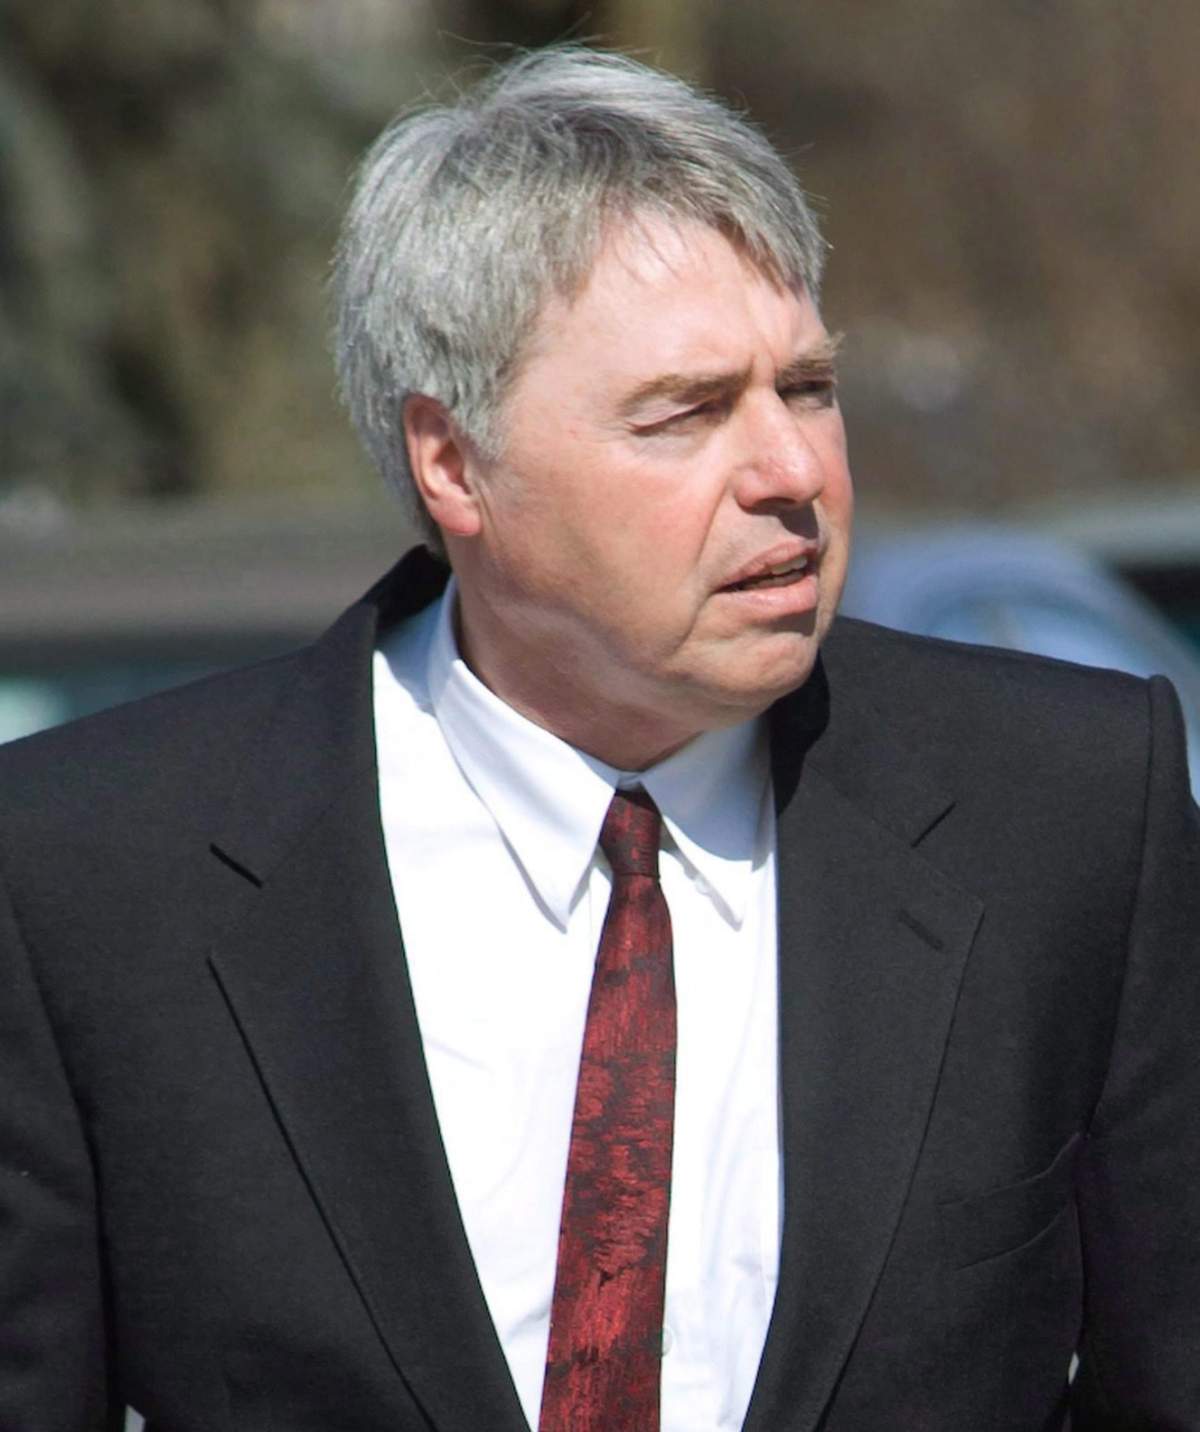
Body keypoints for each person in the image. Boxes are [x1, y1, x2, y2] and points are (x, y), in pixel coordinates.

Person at [1, 45, 1198, 1432]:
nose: (792, 472)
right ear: (455, 464)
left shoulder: (1061, 812)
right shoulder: (93, 873)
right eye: (684, 413)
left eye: (806, 387)